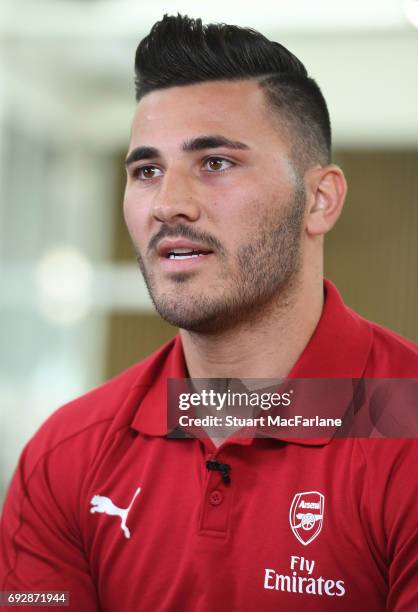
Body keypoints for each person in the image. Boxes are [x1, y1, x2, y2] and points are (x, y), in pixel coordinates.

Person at [1, 14, 417, 612]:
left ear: (320, 200)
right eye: (146, 171)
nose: (170, 203)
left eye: (215, 162)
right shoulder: (67, 453)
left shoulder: (406, 429)